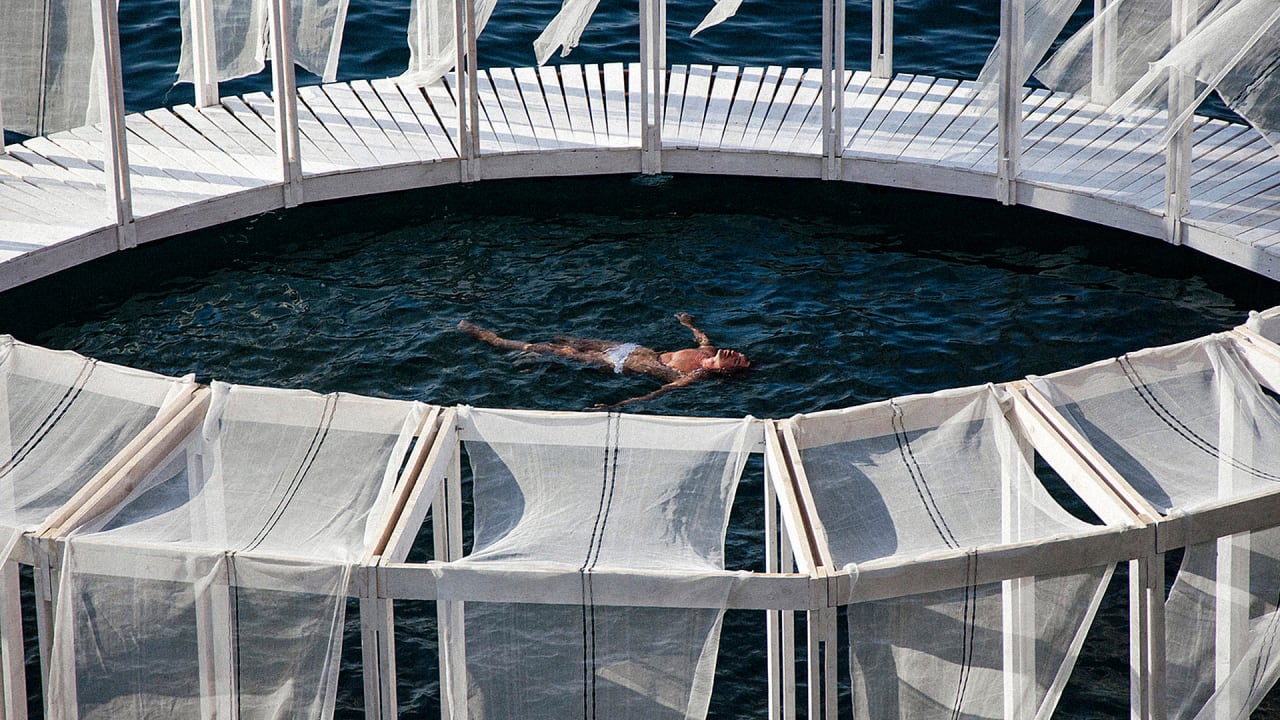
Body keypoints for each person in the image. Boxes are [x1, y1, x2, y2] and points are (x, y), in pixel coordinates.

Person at [457, 312, 751, 410]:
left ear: (725, 374)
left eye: (735, 361)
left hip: (621, 365)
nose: (734, 354)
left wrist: (616, 406)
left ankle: (491, 339)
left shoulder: (694, 376)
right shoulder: (708, 350)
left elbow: (655, 394)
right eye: (738, 354)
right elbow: (700, 337)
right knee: (568, 339)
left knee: (553, 350)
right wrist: (687, 323)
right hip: (632, 348)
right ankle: (528, 352)